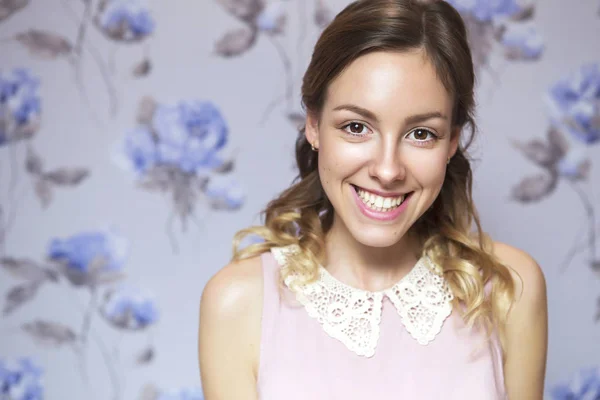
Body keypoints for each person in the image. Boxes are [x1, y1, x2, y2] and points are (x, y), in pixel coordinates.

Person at [198, 0, 548, 398]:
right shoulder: (240, 302)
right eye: (356, 126)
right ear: (313, 125)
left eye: (421, 134)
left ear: (452, 141)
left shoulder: (508, 286)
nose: (387, 169)